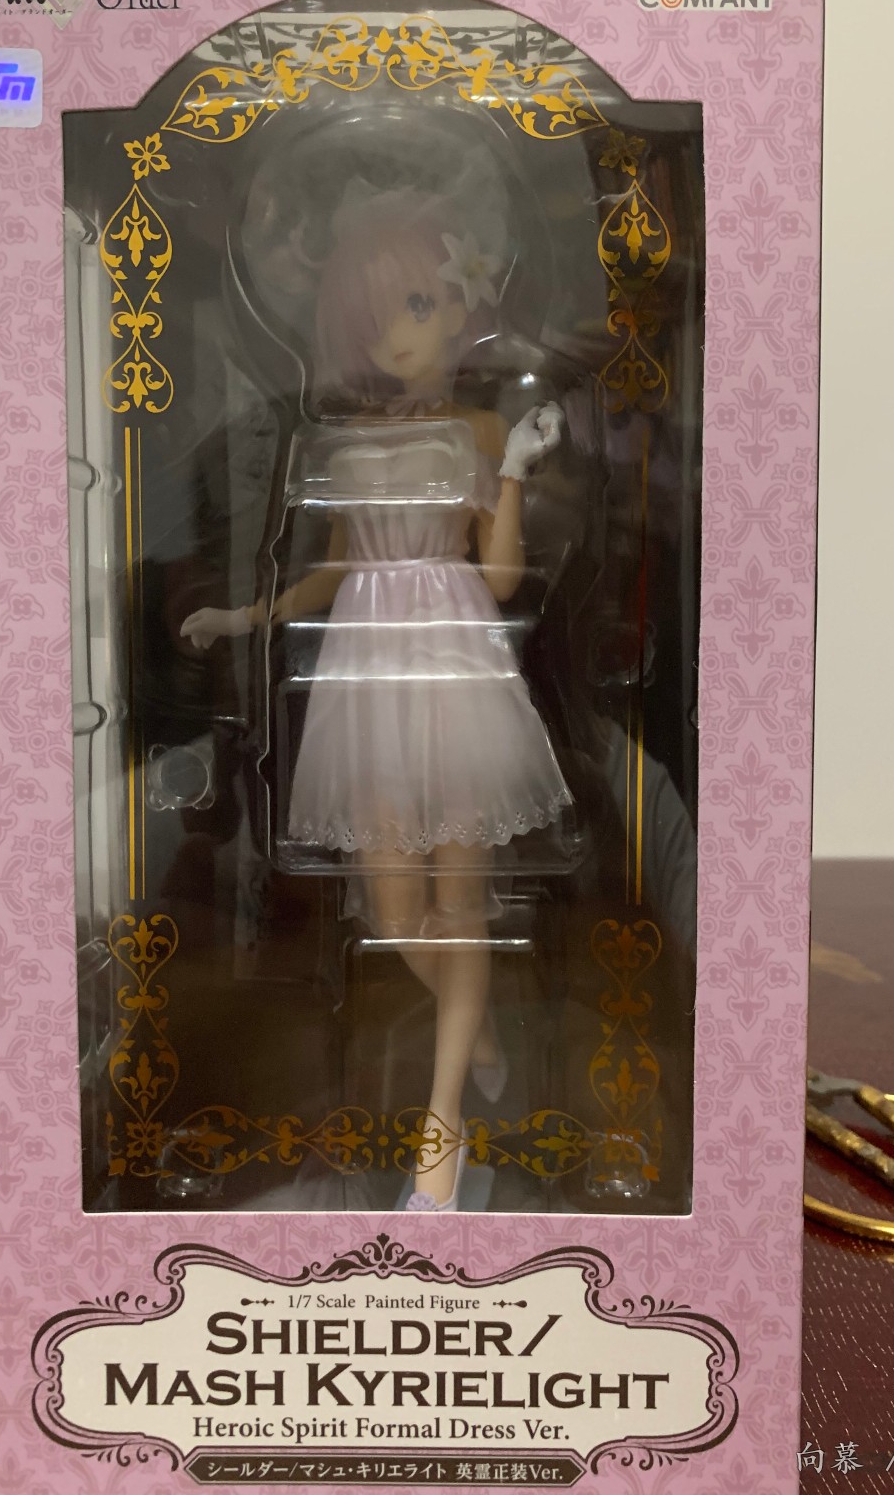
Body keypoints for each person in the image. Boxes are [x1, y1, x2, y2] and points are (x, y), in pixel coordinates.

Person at [181, 191, 569, 1208]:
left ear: (463, 307)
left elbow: (500, 581)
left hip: (451, 662)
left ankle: (444, 1131)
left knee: (458, 904)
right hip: (365, 673)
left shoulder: (480, 427)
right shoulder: (342, 437)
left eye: (419, 304)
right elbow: (333, 568)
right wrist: (247, 614)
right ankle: (480, 1027)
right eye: (375, 315)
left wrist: (514, 474)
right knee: (397, 913)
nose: (397, 332)